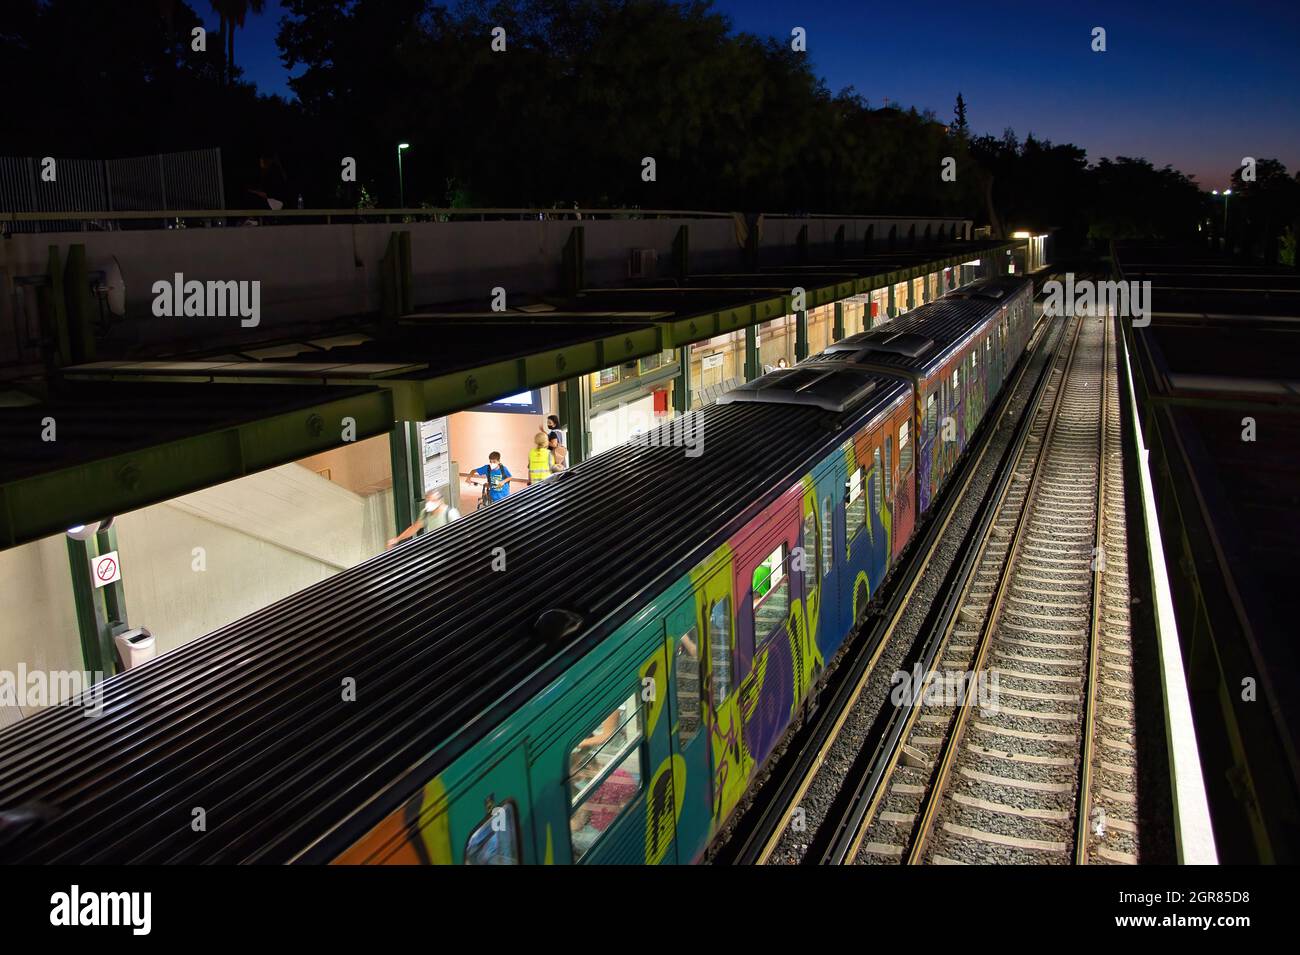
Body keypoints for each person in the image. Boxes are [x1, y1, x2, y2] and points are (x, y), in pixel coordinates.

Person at [386, 488, 459, 549]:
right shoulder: (425, 512)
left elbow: (459, 532)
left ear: (440, 500)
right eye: (428, 500)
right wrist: (397, 539)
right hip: (434, 548)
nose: (429, 503)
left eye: (433, 500)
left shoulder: (451, 513)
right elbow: (415, 527)